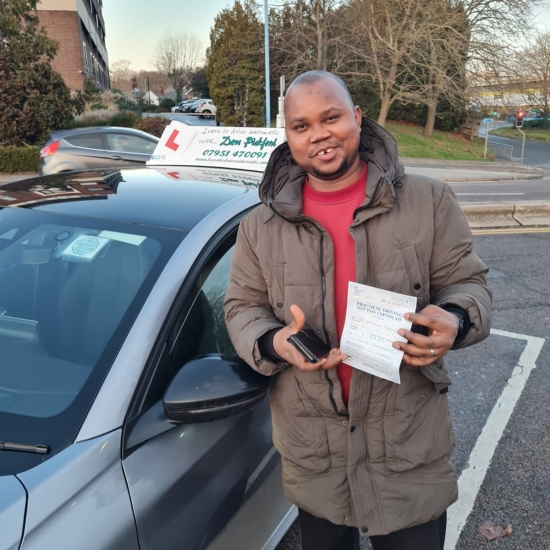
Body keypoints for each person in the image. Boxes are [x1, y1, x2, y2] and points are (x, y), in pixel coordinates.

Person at [223, 70, 492, 550]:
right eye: (301, 125)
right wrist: (273, 341)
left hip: (407, 445)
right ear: (288, 136)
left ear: (357, 118)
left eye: (331, 117)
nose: (319, 134)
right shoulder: (259, 226)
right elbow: (242, 307)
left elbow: (468, 283)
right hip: (316, 449)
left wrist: (457, 319)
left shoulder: (429, 201)